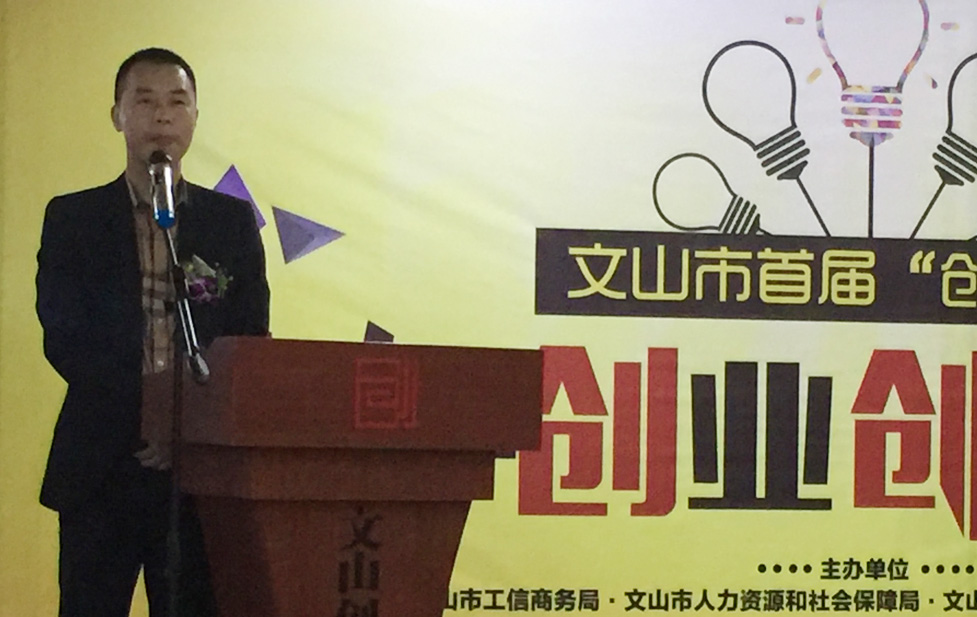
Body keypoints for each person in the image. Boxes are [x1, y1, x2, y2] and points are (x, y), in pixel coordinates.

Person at [35, 48, 270, 617]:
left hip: (198, 471)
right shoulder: (73, 220)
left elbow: (247, 340)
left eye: (177, 102)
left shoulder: (230, 222)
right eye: (144, 101)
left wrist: (183, 422)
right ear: (117, 115)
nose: (162, 115)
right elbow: (65, 336)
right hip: (102, 463)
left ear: (194, 117)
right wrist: (149, 415)